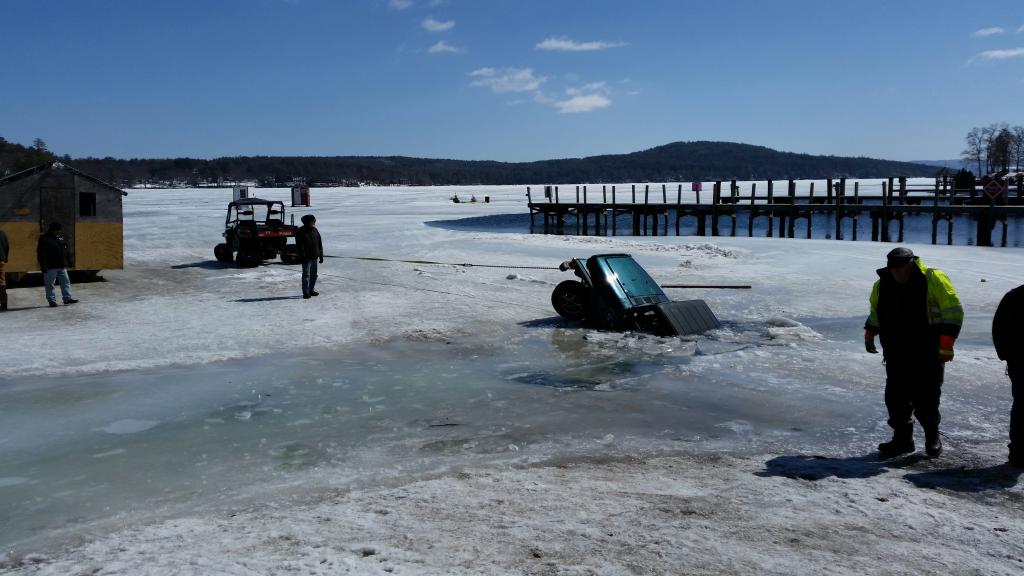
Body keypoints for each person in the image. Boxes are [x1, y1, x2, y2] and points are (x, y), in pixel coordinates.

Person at [864, 247, 963, 458]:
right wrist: (870, 332)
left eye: (902, 269)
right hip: (896, 351)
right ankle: (902, 440)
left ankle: (932, 437)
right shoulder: (881, 284)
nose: (898, 273)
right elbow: (876, 312)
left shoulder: (932, 278)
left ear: (912, 264)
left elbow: (953, 311)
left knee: (927, 396)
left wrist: (946, 344)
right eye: (894, 269)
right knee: (895, 397)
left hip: (927, 351)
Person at [993, 284, 1024, 467]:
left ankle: (1018, 452)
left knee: (1022, 406)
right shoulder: (1015, 297)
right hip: (1021, 364)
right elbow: (1000, 328)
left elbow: (999, 328)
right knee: (1022, 406)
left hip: (1018, 362)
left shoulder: (1014, 296)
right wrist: (1006, 355)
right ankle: (1019, 453)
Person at [36, 222, 78, 308]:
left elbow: (66, 250)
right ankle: (52, 300)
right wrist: (43, 266)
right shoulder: (44, 238)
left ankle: (67, 298)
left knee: (65, 282)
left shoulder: (61, 238)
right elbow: (41, 253)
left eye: (59, 230)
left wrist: (69, 261)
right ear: (52, 230)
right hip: (50, 266)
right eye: (57, 230)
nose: (59, 232)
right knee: (50, 284)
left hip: (61, 266)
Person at [295, 214, 323, 299]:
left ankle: (311, 290)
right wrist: (303, 256)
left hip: (314, 257)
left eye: (314, 221)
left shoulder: (315, 230)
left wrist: (321, 255)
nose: (314, 223)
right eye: (312, 221)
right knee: (306, 276)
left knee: (314, 275)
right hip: (306, 258)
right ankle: (306, 292)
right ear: (306, 222)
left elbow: (319, 244)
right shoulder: (301, 231)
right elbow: (300, 246)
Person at [0, 227, 9, 311]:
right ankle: (4, 303)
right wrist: (5, 258)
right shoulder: (2, 233)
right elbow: (7, 247)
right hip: (1, 261)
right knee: (2, 282)